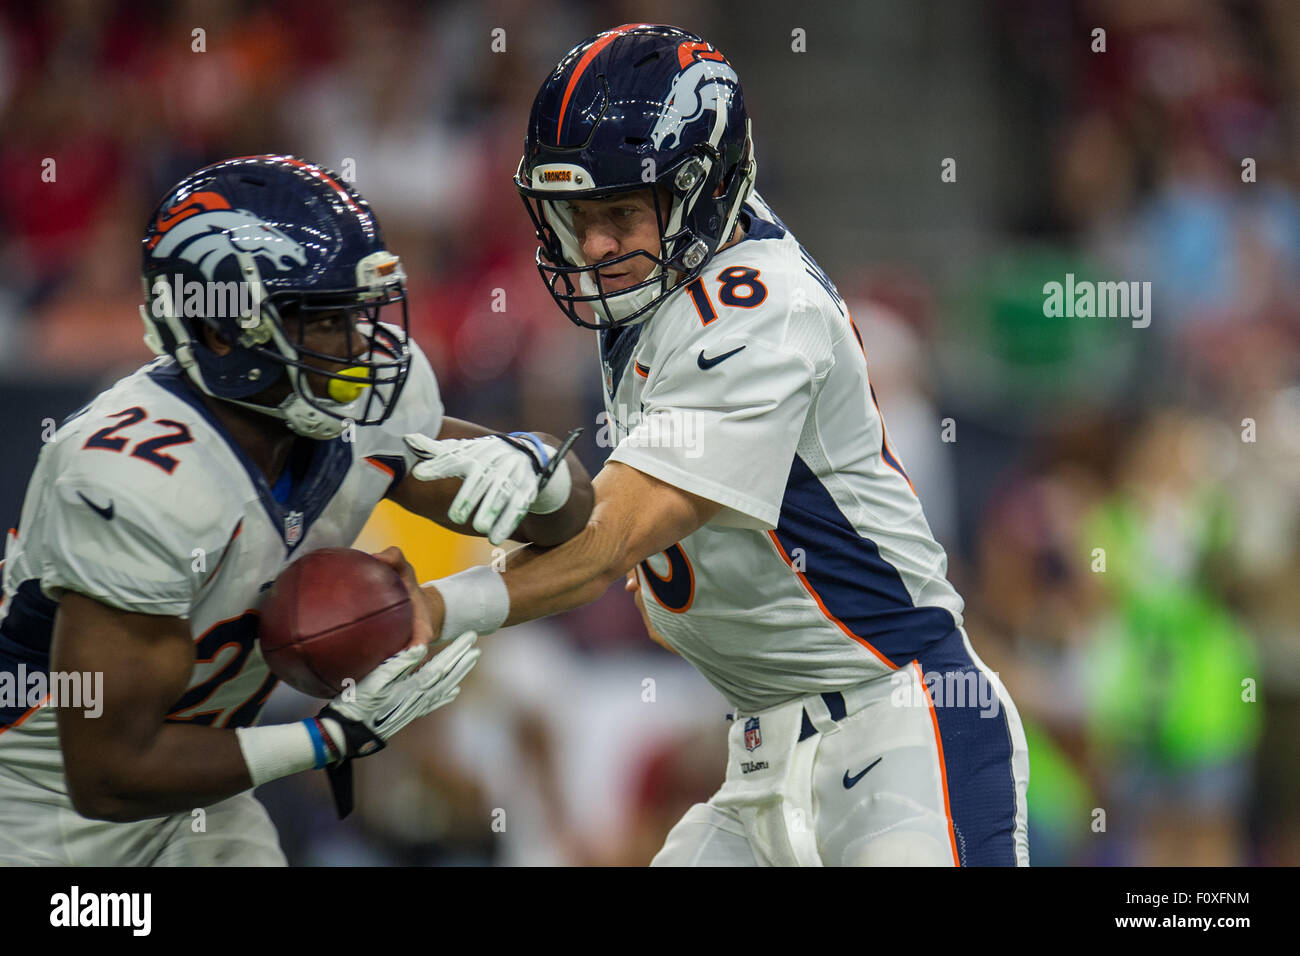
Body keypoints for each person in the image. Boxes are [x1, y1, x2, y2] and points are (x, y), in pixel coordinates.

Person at [405, 24, 1029, 866]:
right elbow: (579, 512)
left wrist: (433, 612)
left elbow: (606, 541)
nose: (593, 245)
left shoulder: (762, 309)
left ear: (705, 190)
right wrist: (372, 439)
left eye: (620, 212)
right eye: (577, 215)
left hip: (900, 732)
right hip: (760, 749)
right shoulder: (661, 275)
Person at [0, 155, 593, 865]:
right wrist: (327, 740)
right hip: (41, 816)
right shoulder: (129, 478)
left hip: (201, 800)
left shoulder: (356, 409)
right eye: (322, 318)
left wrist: (539, 470)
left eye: (356, 312)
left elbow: (558, 522)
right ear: (221, 333)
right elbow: (107, 774)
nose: (358, 345)